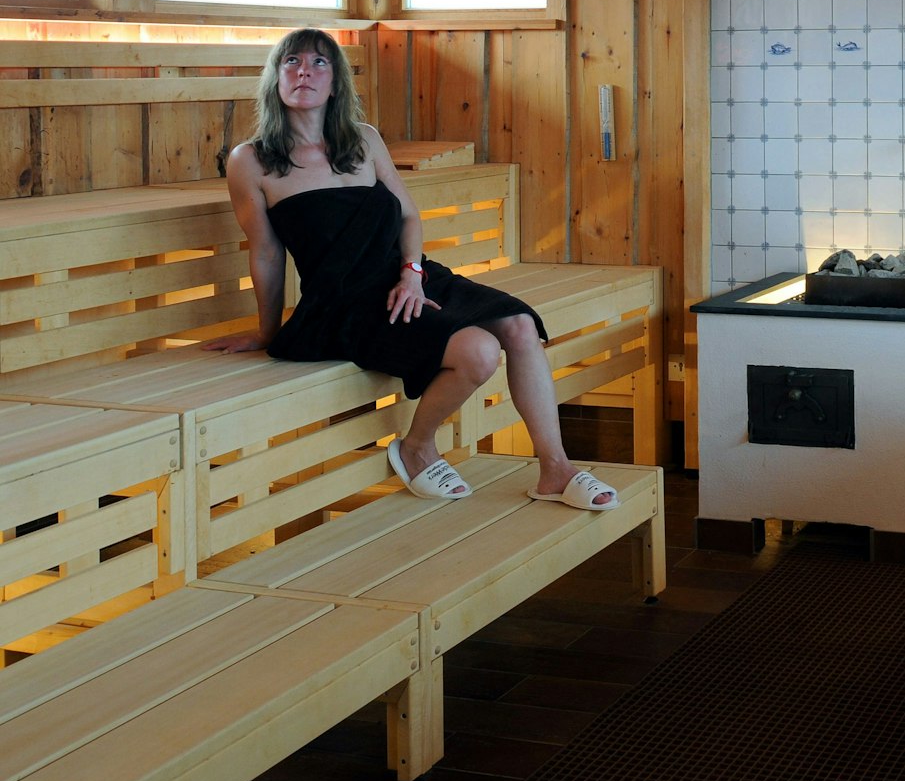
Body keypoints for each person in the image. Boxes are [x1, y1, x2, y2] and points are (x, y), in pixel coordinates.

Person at [204, 28, 616, 510]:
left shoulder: (363, 141)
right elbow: (267, 252)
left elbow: (407, 215)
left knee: (521, 325)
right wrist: (267, 331)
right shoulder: (251, 161)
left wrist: (412, 273)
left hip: (409, 277)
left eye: (319, 63)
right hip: (345, 303)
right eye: (291, 62)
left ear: (336, 82)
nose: (304, 72)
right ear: (276, 79)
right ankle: (417, 446)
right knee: (479, 353)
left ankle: (555, 470)